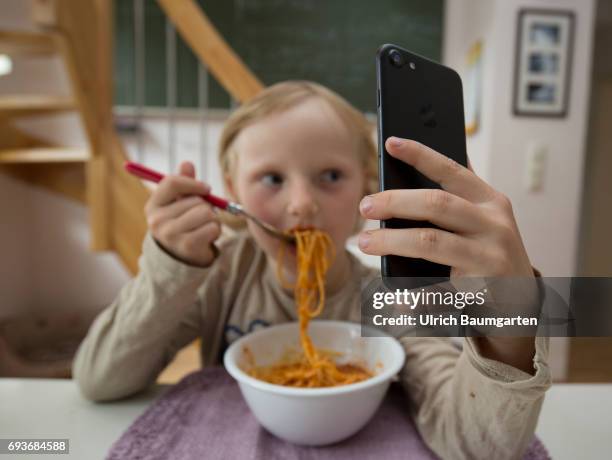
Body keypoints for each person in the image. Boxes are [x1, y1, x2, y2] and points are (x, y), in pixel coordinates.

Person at [73, 81, 550, 459]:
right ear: (229, 187)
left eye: (330, 177)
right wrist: (171, 266)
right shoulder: (217, 274)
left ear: (367, 187)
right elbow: (99, 380)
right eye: (271, 179)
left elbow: (474, 444)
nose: (301, 206)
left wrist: (510, 320)